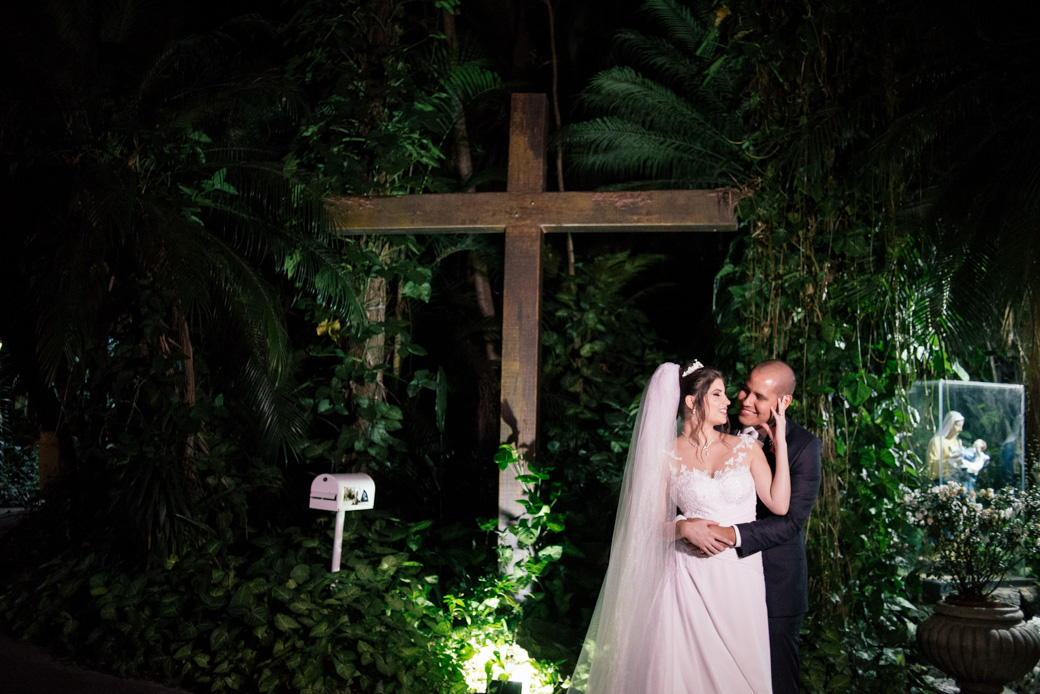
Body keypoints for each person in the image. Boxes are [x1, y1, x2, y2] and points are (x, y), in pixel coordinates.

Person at [570, 361, 789, 693]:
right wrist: (682, 527)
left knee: (743, 675)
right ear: (692, 401)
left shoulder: (747, 448)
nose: (728, 401)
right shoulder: (664, 456)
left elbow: (779, 503)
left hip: (740, 578)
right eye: (717, 393)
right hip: (687, 577)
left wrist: (782, 442)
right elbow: (646, 526)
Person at [681, 359, 822, 694]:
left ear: (783, 402)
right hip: (712, 580)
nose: (744, 399)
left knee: (774, 682)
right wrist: (684, 525)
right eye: (745, 388)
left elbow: (790, 520)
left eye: (759, 396)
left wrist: (733, 534)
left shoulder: (804, 446)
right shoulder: (717, 429)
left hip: (775, 585)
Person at [926, 411, 966, 484]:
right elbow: (932, 465)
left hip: (957, 480)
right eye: (958, 425)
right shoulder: (937, 442)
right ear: (949, 425)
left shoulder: (957, 443)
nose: (960, 430)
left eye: (961, 426)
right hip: (942, 481)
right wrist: (950, 462)